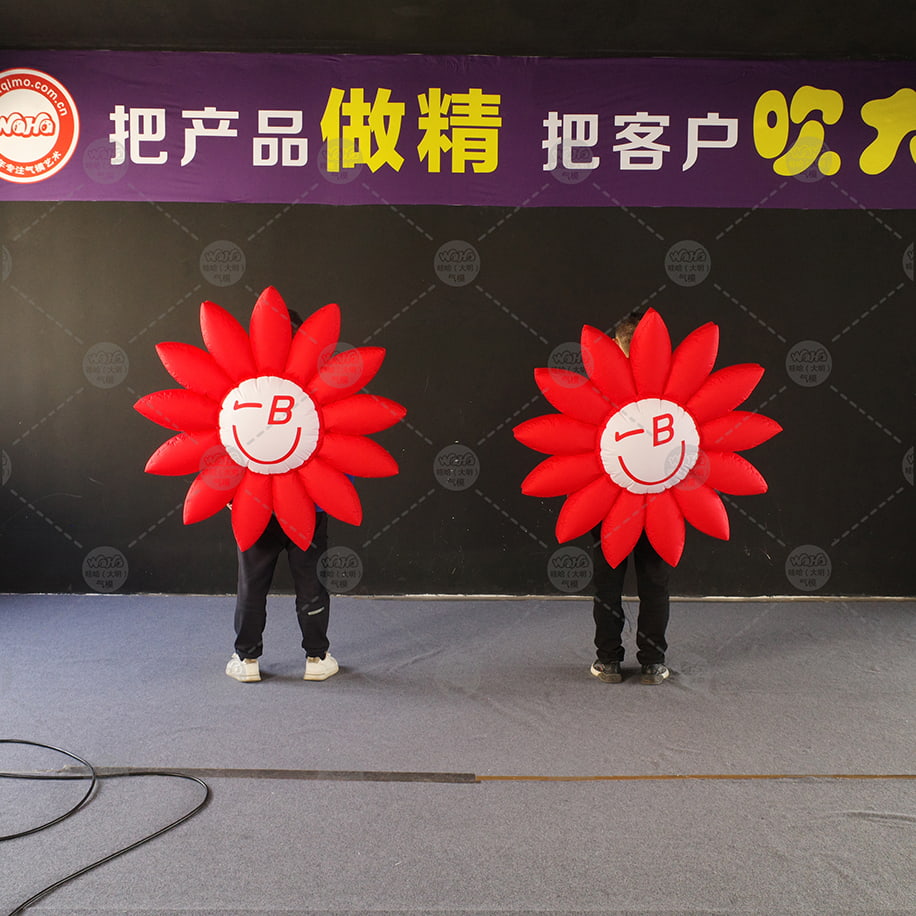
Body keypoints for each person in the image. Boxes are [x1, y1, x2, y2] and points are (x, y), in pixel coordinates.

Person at [225, 309, 338, 683]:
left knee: (251, 583)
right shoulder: (320, 387)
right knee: (311, 581)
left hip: (254, 505)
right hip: (308, 504)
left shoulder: (241, 385)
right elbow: (341, 444)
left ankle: (247, 660)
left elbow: (222, 445)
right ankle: (316, 658)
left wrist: (229, 497)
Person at [589, 309, 671, 686]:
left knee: (608, 582)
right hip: (658, 502)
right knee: (654, 582)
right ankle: (653, 663)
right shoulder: (673, 390)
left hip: (610, 503)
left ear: (615, 346)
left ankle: (608, 661)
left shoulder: (597, 389)